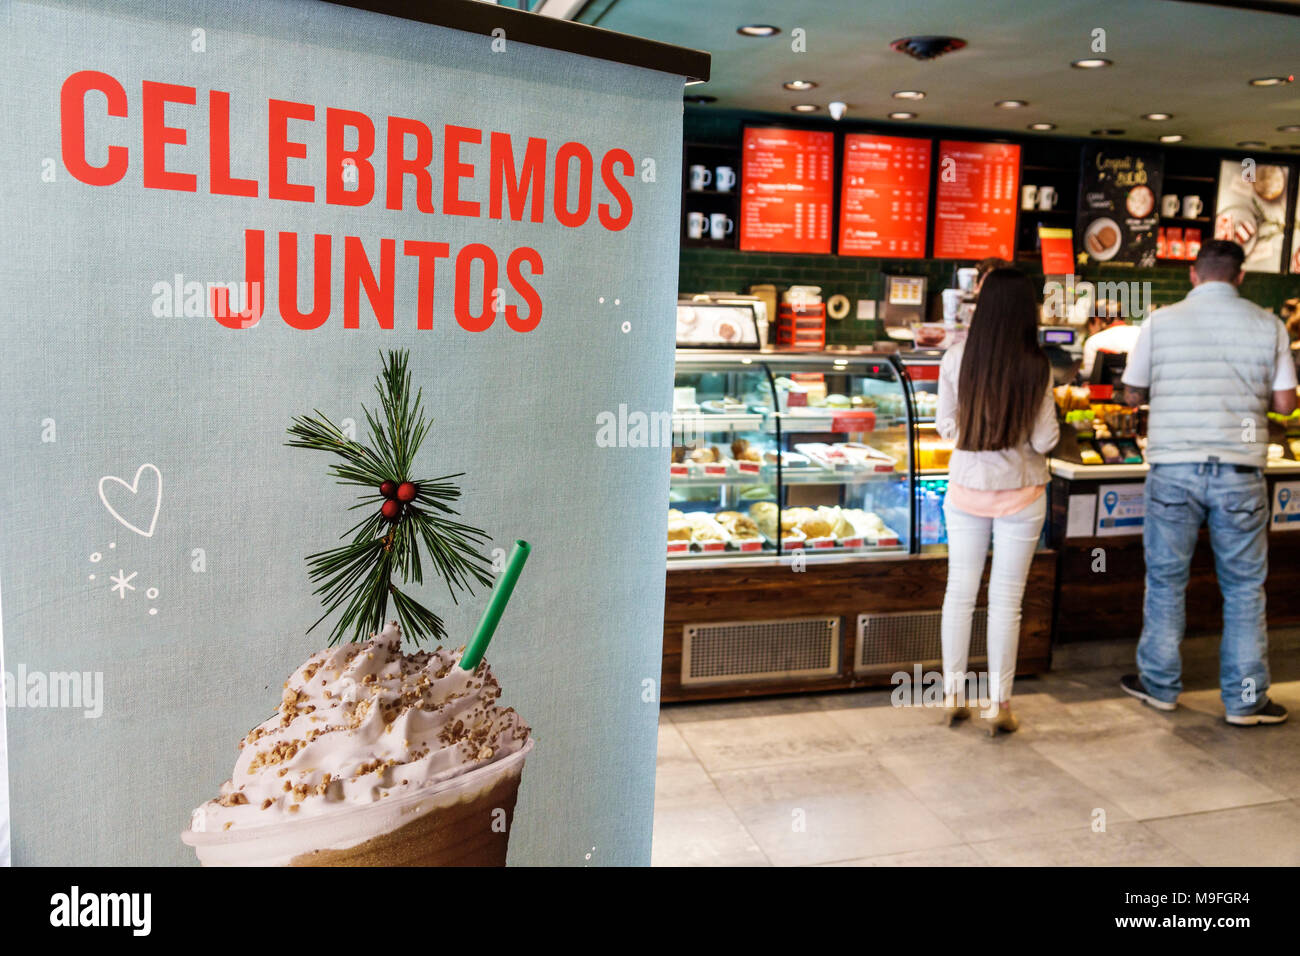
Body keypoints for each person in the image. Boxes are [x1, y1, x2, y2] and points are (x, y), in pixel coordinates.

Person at [1120, 239, 1298, 726]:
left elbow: (1132, 394)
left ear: (1194, 276)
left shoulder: (1160, 321)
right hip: (1240, 472)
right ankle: (1245, 700)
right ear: (1241, 277)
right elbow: (1285, 404)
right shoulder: (1269, 325)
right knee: (1244, 590)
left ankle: (1159, 686)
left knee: (1165, 581)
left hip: (1174, 469)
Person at [937, 268, 1059, 735]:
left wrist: (973, 430)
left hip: (967, 489)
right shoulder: (1037, 363)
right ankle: (999, 705)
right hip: (1022, 492)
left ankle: (951, 694)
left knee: (959, 594)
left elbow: (945, 426)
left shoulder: (956, 357)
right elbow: (1046, 440)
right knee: (1007, 601)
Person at [1079, 305, 1142, 380]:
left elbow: (1089, 374)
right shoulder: (1141, 333)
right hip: (1139, 387)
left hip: (1103, 390)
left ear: (1096, 320)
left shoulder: (1093, 341)